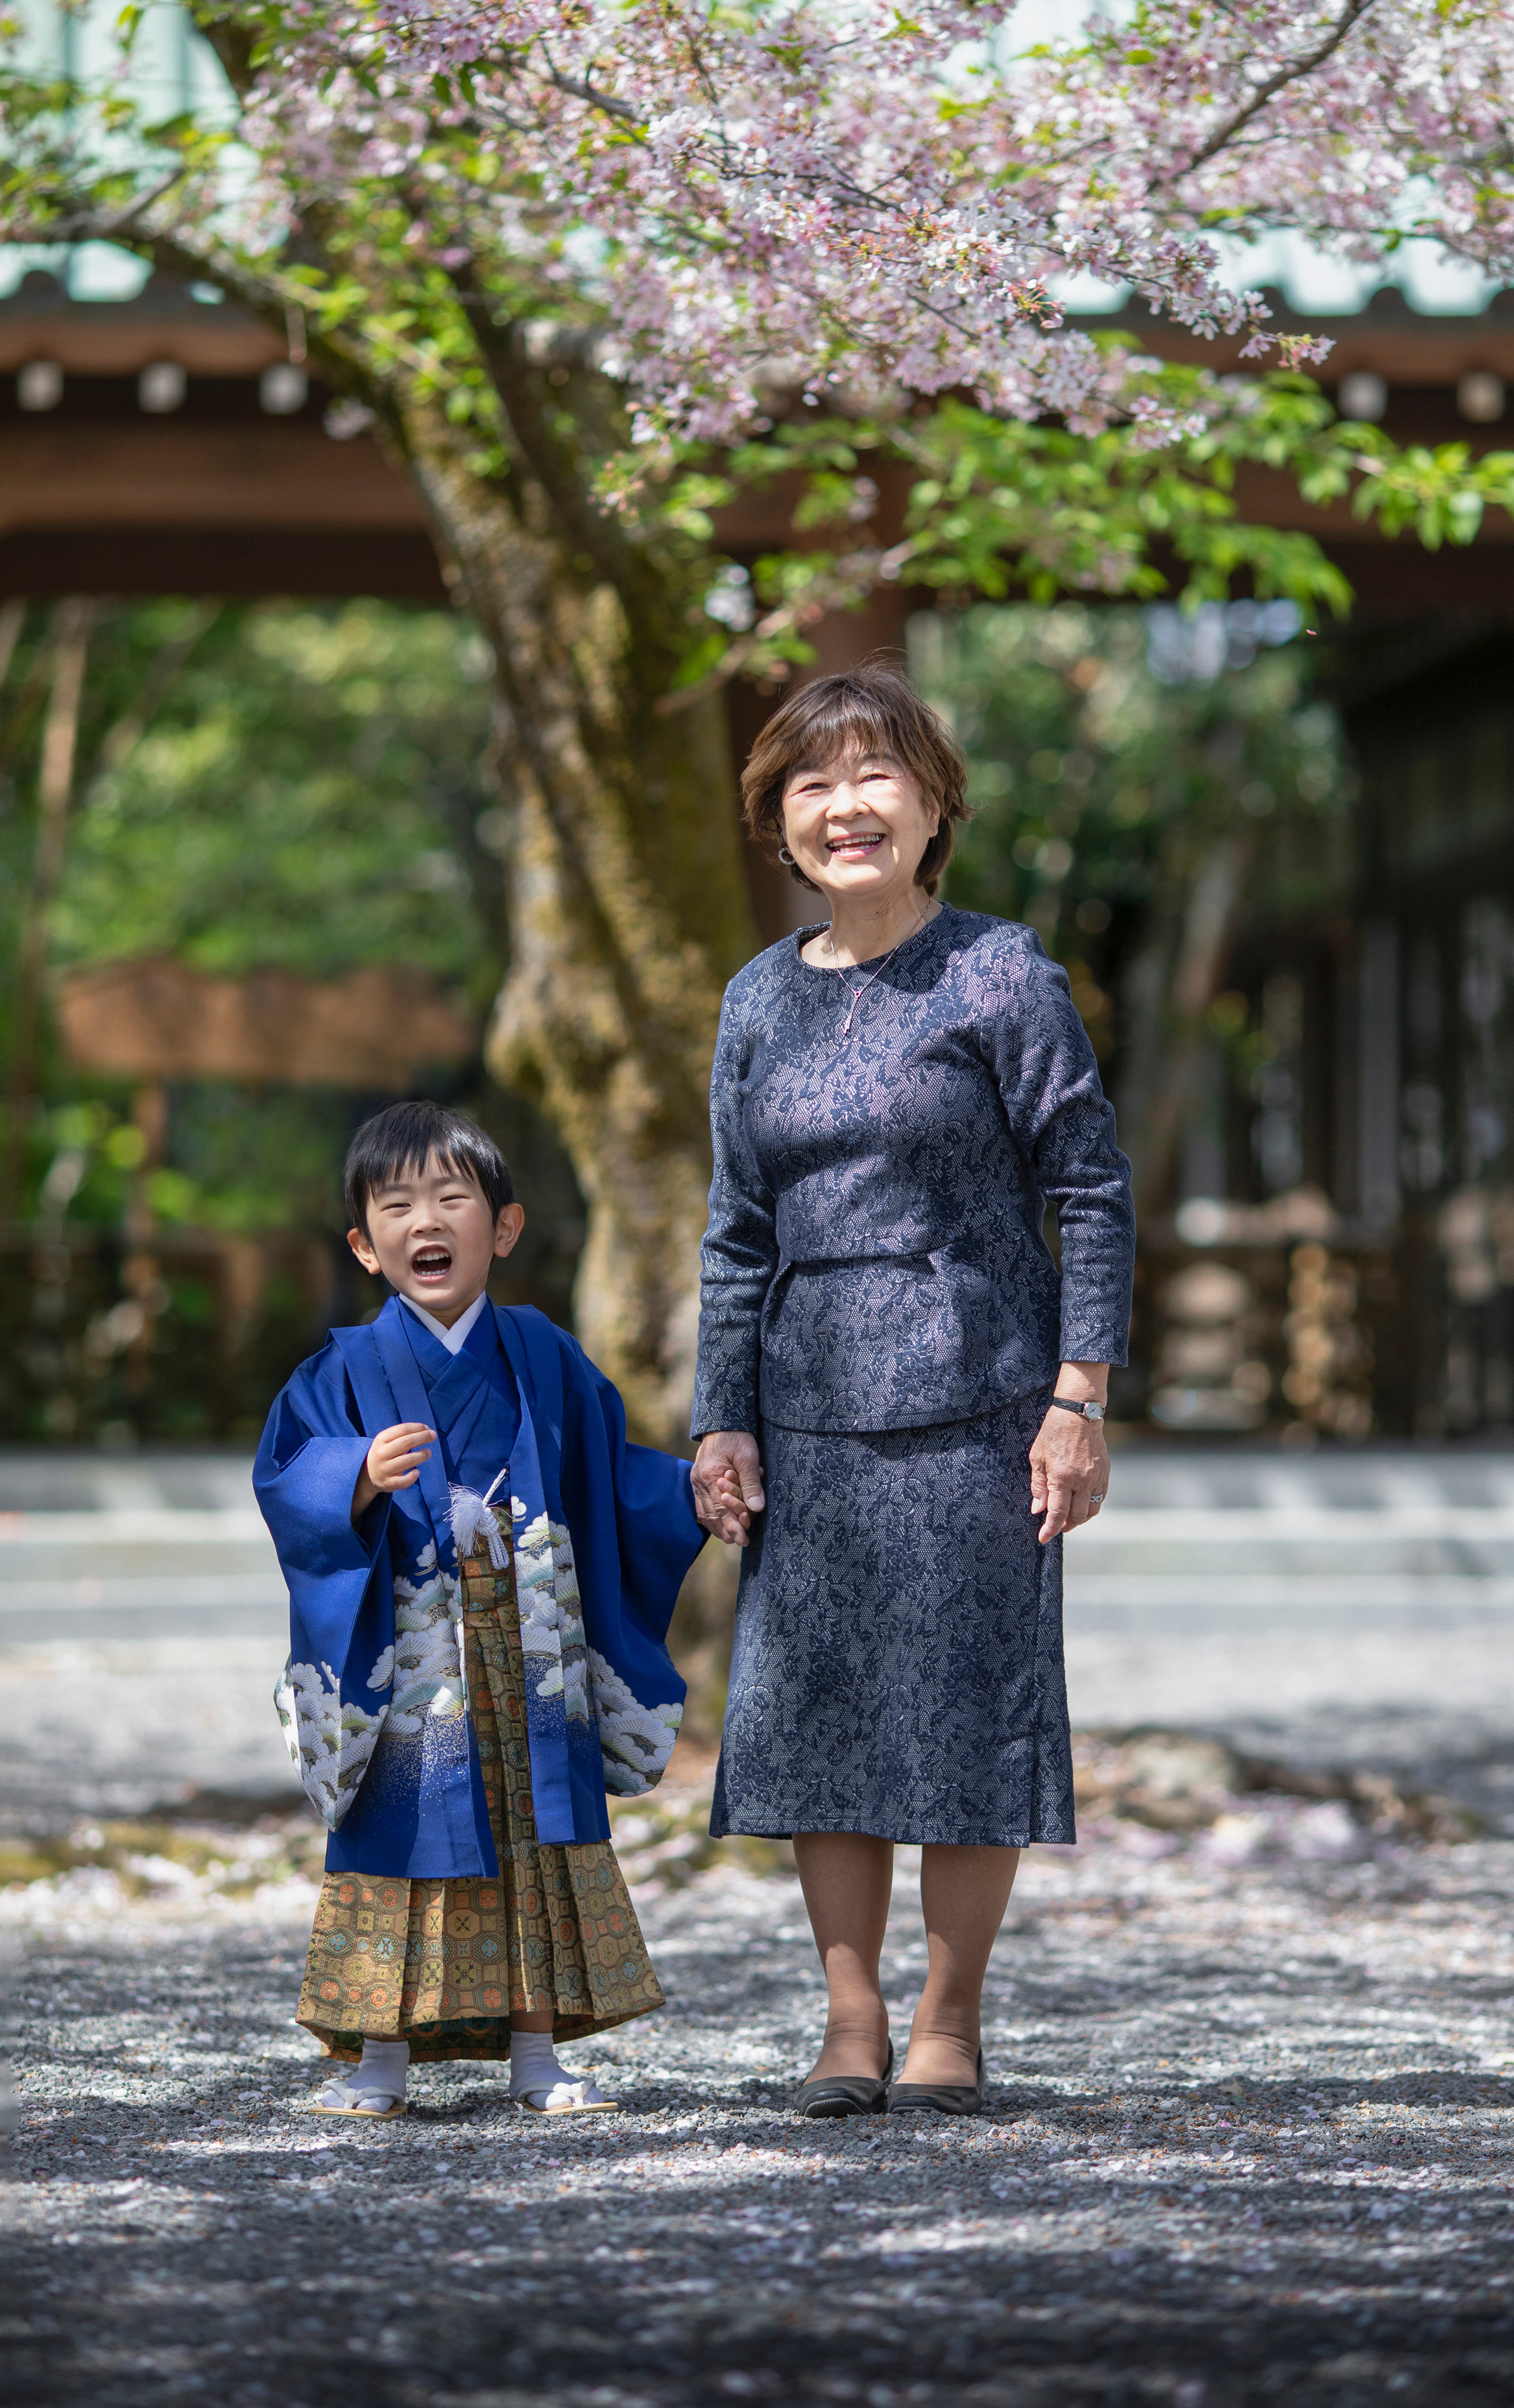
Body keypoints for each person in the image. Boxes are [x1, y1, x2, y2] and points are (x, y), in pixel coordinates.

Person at [691, 662, 1135, 2119]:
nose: (843, 807)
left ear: (933, 804)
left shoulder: (999, 973)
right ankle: (848, 2019)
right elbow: (734, 1228)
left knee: (962, 1718)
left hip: (976, 1403)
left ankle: (950, 2018)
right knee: (817, 1727)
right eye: (809, 786)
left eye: (872, 774)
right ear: (780, 827)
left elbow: (1087, 1188)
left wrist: (1078, 1396)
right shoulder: (755, 998)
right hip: (807, 1409)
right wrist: (720, 1415)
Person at [255, 1100, 704, 2119]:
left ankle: (537, 2055)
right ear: (366, 1247)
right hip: (413, 1653)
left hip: (529, 1641)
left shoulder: (543, 1355)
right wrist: (357, 1477)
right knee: (400, 1834)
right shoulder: (343, 1372)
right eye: (398, 1204)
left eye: (452, 1197)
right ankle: (378, 2060)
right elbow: (290, 1479)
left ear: (501, 1229)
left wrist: (687, 1495)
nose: (428, 1220)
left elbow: (609, 1473)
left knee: (532, 1834)